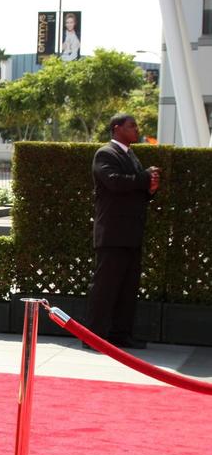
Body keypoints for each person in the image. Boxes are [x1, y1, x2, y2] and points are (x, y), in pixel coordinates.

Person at [85, 113, 160, 350]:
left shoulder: (132, 156)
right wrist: (144, 178)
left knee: (128, 288)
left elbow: (134, 189)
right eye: (132, 126)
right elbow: (115, 182)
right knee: (105, 287)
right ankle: (93, 337)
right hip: (112, 234)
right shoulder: (106, 153)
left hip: (131, 234)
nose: (136, 130)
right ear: (117, 129)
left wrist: (151, 188)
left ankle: (120, 334)